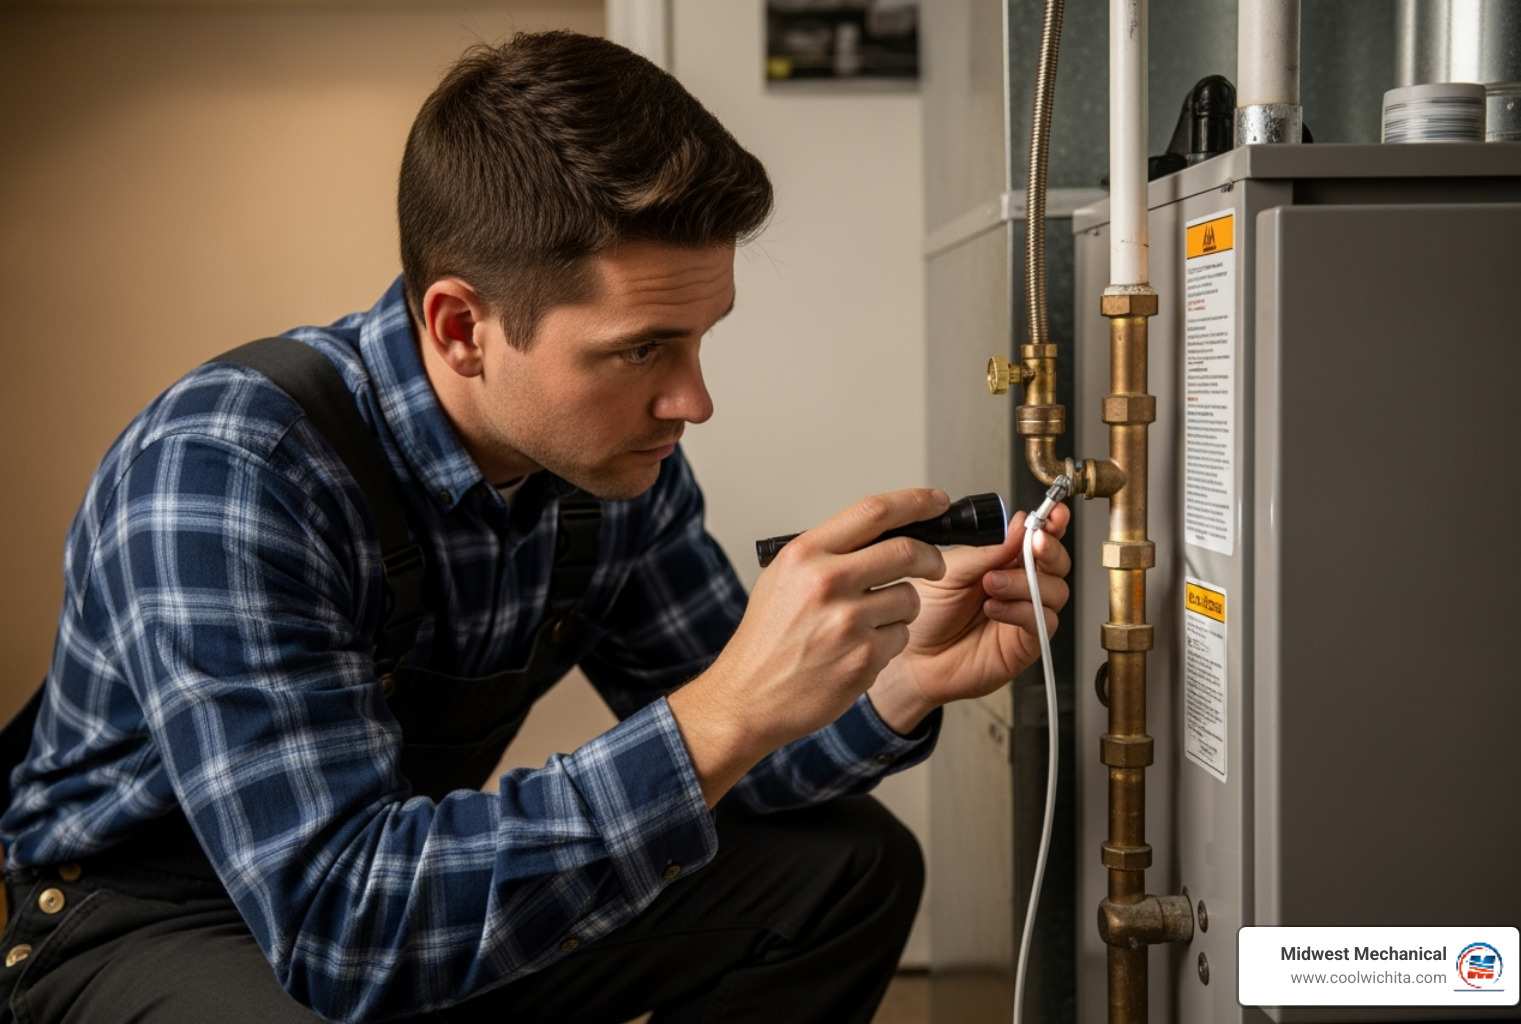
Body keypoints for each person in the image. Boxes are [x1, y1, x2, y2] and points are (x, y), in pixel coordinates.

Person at [0, 30, 1071, 1024]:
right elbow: (339, 922)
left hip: (396, 888)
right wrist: (718, 716)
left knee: (848, 867)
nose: (693, 402)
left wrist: (897, 680)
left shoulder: (606, 469)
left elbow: (748, 754)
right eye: (641, 348)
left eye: (701, 340)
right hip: (154, 920)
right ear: (462, 328)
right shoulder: (230, 472)